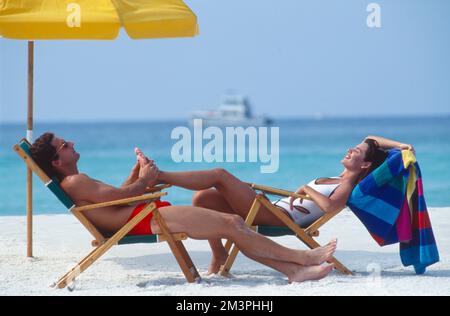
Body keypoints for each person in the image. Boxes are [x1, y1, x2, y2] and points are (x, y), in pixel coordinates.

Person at [29, 132, 337, 283]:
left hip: (139, 215)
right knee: (232, 223)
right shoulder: (74, 181)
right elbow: (123, 198)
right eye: (64, 145)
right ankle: (303, 256)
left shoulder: (75, 183)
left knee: (233, 223)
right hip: (144, 218)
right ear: (57, 161)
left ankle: (292, 270)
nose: (70, 142)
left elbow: (118, 196)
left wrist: (139, 175)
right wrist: (146, 179)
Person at [154, 135, 414, 273]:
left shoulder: (346, 185)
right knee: (202, 198)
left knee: (220, 174)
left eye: (356, 153)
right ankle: (218, 254)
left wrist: (309, 189)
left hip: (276, 216)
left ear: (366, 165)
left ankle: (160, 176)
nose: (350, 150)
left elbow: (330, 207)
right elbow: (371, 139)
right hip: (270, 205)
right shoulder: (338, 176)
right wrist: (401, 146)